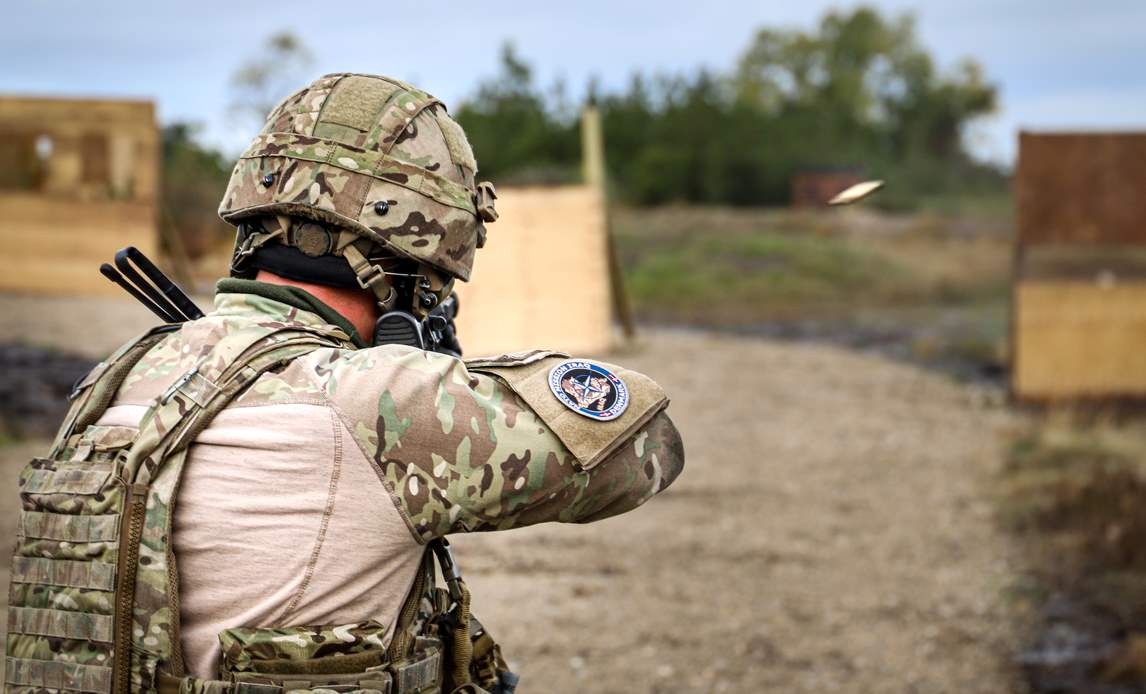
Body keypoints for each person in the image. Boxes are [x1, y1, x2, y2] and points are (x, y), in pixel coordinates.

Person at [5, 73, 684, 694]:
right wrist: (428, 368)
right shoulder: (380, 400)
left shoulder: (123, 374)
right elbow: (644, 441)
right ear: (424, 258)